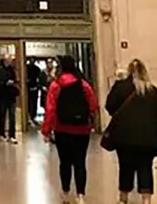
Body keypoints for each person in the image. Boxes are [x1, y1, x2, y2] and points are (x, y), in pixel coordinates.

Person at [104, 59, 157, 204]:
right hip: (147, 137)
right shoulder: (152, 90)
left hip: (124, 136)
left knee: (125, 165)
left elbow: (110, 106)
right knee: (145, 166)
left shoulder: (120, 87)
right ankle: (146, 198)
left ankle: (124, 196)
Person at [43, 55, 98, 204]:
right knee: (80, 162)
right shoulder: (84, 84)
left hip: (62, 129)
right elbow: (93, 105)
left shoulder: (56, 85)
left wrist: (46, 130)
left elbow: (50, 109)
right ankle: (80, 195)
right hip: (82, 129)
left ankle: (66, 192)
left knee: (65, 162)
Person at [0, 56, 19, 143]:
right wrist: (5, 83)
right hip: (2, 96)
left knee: (12, 115)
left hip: (11, 96)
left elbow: (15, 80)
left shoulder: (12, 70)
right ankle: (2, 133)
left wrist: (13, 82)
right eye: (8, 60)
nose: (10, 61)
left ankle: (12, 135)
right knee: (2, 114)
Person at [27, 58, 42, 125]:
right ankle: (29, 116)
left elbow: (39, 78)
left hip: (34, 87)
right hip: (27, 88)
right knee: (29, 103)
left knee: (34, 103)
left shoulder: (37, 69)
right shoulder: (25, 68)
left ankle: (33, 116)